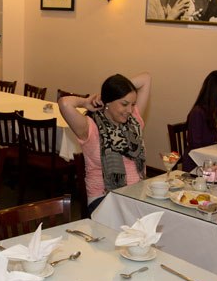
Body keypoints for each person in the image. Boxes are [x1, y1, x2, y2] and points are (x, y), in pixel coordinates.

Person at [58, 72, 151, 215]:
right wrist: (86, 101)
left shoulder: (134, 121)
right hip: (103, 198)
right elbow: (64, 103)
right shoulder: (90, 128)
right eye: (124, 104)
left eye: (133, 104)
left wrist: (117, 91)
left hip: (136, 194)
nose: (130, 110)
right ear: (108, 102)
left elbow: (146, 78)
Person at [182, 70, 217, 171]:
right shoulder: (198, 112)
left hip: (212, 160)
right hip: (197, 164)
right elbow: (196, 147)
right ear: (213, 91)